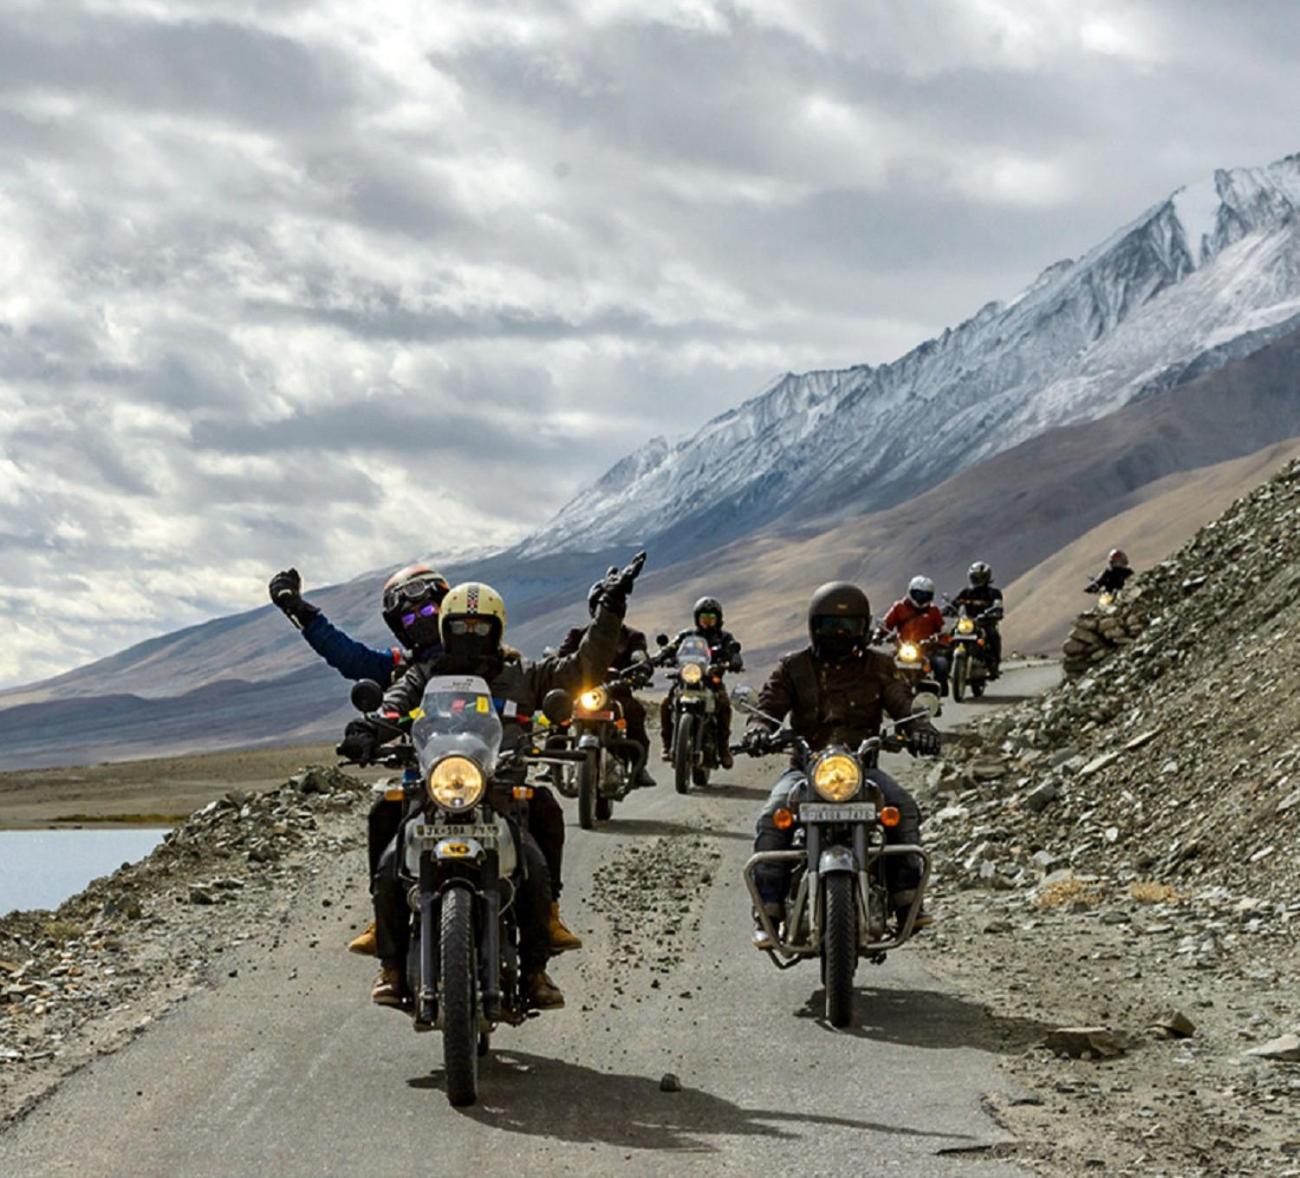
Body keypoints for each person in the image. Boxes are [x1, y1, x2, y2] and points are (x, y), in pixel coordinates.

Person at [348, 554, 646, 1010]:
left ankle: (538, 959)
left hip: (501, 789)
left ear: (497, 628)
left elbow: (584, 666)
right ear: (446, 629)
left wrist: (610, 612)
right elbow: (395, 703)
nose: (470, 635)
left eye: (480, 626)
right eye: (461, 626)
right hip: (437, 790)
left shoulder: (522, 674)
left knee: (538, 840)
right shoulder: (424, 674)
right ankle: (390, 965)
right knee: (388, 833)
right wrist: (372, 728)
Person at [269, 565, 580, 958]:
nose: (420, 624)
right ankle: (385, 929)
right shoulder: (404, 670)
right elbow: (347, 656)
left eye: (429, 613)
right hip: (428, 781)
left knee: (539, 821)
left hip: (492, 778)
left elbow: (557, 682)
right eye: (409, 618)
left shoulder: (506, 664)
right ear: (398, 625)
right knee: (386, 815)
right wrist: (301, 612)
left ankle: (544, 927)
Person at [742, 581, 940, 948]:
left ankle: (907, 897)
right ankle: (767, 910)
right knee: (773, 817)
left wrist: (920, 727)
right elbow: (768, 707)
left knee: (903, 809)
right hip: (806, 767)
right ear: (813, 626)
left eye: (848, 626)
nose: (838, 632)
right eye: (830, 624)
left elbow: (903, 704)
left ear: (863, 629)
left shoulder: (880, 666)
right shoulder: (794, 667)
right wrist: (758, 729)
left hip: (861, 768)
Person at [556, 579, 656, 788]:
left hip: (617, 692)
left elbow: (640, 655)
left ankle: (638, 767)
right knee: (559, 709)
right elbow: (562, 659)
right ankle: (553, 766)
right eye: (599, 606)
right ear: (593, 608)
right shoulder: (577, 635)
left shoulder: (632, 637)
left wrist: (641, 667)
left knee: (634, 712)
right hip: (583, 691)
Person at [658, 596, 743, 769]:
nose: (707, 622)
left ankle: (723, 748)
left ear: (718, 619)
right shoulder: (687, 636)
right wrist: (660, 656)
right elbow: (672, 647)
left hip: (712, 682)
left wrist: (734, 659)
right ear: (697, 619)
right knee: (666, 703)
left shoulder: (725, 638)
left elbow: (734, 651)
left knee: (724, 705)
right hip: (686, 679)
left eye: (711, 618)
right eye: (704, 618)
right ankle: (667, 745)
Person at [880, 575, 949, 694]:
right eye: (918, 594)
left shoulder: (934, 611)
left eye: (925, 595)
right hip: (902, 648)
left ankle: (939, 692)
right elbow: (886, 624)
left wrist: (941, 641)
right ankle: (880, 694)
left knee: (941, 663)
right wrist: (879, 634)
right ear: (910, 592)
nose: (921, 598)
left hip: (926, 650)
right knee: (881, 664)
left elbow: (942, 629)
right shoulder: (899, 607)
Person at [945, 561, 1003, 678]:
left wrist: (995, 612)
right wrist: (948, 609)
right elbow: (954, 603)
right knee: (950, 634)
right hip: (967, 622)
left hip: (985, 623)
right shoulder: (965, 592)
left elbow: (998, 605)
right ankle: (947, 663)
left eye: (980, 577)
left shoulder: (993, 593)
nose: (978, 580)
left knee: (993, 635)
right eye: (975, 577)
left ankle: (994, 665)